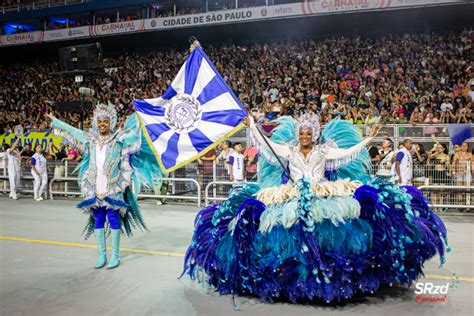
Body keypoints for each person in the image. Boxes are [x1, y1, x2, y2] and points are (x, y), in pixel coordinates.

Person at [182, 112, 448, 303]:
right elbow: (267, 145)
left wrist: (369, 140)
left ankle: (330, 275)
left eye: (309, 133)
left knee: (330, 227)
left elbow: (347, 153)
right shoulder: (289, 151)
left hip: (323, 192)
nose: (305, 136)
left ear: (315, 134)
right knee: (279, 226)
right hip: (291, 192)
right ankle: (288, 274)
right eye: (302, 133)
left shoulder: (323, 152)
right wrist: (252, 125)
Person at [45, 104, 162, 269]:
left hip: (113, 184)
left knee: (113, 218)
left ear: (110, 122)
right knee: (98, 218)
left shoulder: (118, 140)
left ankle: (115, 255)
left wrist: (143, 117)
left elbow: (136, 139)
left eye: (105, 121)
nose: (102, 124)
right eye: (99, 121)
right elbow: (73, 132)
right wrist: (56, 122)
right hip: (94, 184)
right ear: (95, 122)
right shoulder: (90, 141)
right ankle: (102, 255)